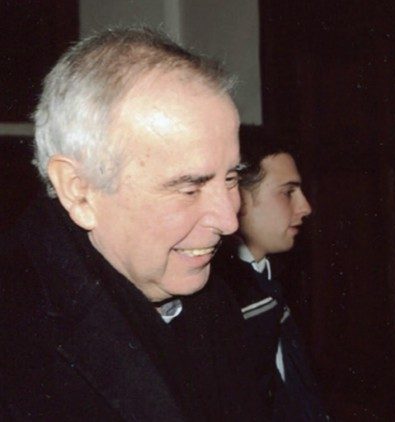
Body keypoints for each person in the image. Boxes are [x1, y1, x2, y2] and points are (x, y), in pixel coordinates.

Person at [0, 28, 269, 420]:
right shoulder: (16, 335)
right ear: (79, 191)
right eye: (189, 189)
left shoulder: (208, 293)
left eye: (230, 178)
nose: (228, 221)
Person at [213, 134, 327, 421]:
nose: (305, 207)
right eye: (288, 192)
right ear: (238, 198)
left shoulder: (265, 281)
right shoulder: (223, 299)